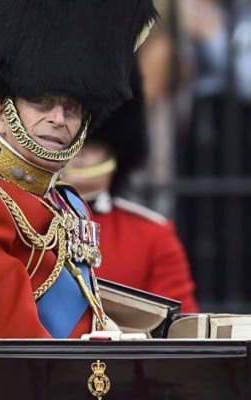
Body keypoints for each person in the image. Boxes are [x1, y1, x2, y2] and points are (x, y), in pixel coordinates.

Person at [0, 0, 157, 338]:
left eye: (71, 108)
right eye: (40, 102)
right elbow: (16, 338)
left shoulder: (70, 205)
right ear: (1, 113)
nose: (58, 119)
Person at [61, 64, 199, 313]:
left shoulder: (152, 236)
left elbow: (180, 333)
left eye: (91, 146)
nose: (78, 155)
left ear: (117, 151)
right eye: (68, 144)